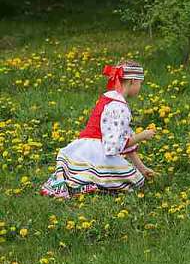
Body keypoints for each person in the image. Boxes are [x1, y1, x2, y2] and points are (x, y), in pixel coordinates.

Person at [40, 61, 157, 198]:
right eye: (140, 83)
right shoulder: (118, 107)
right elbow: (114, 146)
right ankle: (89, 185)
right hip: (98, 153)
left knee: (136, 176)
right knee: (135, 181)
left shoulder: (109, 97)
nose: (140, 87)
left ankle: (86, 179)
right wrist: (141, 136)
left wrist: (142, 168)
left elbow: (123, 137)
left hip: (83, 149)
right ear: (132, 81)